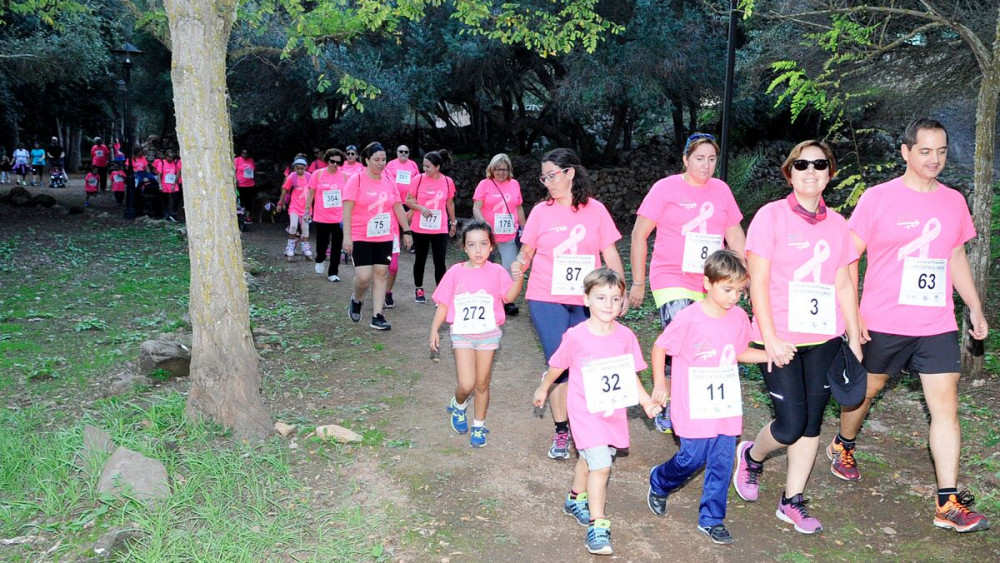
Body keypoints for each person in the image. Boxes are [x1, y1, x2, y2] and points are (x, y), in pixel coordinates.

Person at [830, 118, 990, 533]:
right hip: (883, 319)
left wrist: (973, 307)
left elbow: (954, 257)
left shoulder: (954, 202)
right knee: (866, 390)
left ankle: (948, 502)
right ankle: (843, 444)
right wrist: (853, 316)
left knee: (946, 407)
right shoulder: (878, 199)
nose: (934, 159)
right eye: (925, 151)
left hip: (935, 322)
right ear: (905, 152)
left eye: (940, 151)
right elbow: (848, 257)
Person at [732, 140, 861, 534]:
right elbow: (760, 281)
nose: (811, 171)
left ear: (829, 173)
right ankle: (752, 457)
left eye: (820, 164)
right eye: (801, 164)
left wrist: (854, 338)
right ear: (790, 172)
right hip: (782, 338)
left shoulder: (839, 225)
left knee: (811, 423)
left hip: (825, 338)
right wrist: (768, 337)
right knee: (789, 426)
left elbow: (843, 283)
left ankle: (792, 500)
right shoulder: (769, 217)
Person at [532, 268, 659, 556]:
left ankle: (575, 498)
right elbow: (557, 366)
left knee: (591, 459)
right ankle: (597, 526)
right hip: (583, 411)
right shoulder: (576, 335)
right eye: (600, 297)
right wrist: (543, 388)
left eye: (615, 299)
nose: (608, 304)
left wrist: (646, 401)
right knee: (602, 465)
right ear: (586, 299)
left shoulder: (626, 337)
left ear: (623, 302)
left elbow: (629, 375)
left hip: (611, 411)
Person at [646, 250, 767, 545]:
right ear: (707, 283)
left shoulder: (739, 316)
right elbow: (660, 347)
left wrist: (770, 355)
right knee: (692, 457)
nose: (734, 297)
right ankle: (660, 480)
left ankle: (711, 518)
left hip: (724, 406)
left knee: (722, 461)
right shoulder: (689, 318)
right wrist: (661, 383)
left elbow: (739, 352)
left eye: (739, 291)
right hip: (693, 405)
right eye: (727, 289)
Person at [630, 133, 746, 434]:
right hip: (671, 277)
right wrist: (639, 282)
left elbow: (735, 237)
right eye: (699, 158)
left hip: (712, 281)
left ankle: (682, 397)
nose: (706, 165)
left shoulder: (721, 191)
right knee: (684, 333)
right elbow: (639, 234)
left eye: (711, 159)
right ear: (685, 159)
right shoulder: (665, 188)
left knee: (697, 343)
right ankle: (674, 406)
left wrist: (743, 276)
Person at [515, 148, 625, 460]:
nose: (546, 181)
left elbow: (610, 253)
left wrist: (621, 288)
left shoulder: (596, 210)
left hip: (585, 299)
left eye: (552, 175)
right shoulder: (540, 212)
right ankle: (563, 430)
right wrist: (519, 265)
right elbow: (527, 252)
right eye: (544, 176)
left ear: (570, 173)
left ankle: (592, 430)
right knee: (560, 361)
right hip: (545, 296)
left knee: (589, 362)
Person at [431, 220, 525, 447]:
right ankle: (459, 404)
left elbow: (509, 297)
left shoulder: (497, 271)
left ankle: (479, 426)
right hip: (462, 334)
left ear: (492, 246)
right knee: (466, 384)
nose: (478, 250)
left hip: (488, 334)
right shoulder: (455, 272)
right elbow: (443, 304)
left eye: (483, 244)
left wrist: (519, 277)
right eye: (472, 245)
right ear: (464, 248)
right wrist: (434, 329)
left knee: (482, 383)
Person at [342, 142, 414, 330]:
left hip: (384, 235)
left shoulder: (389, 180)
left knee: (382, 273)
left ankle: (377, 315)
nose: (381, 164)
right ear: (366, 160)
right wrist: (346, 236)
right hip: (360, 235)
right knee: (364, 277)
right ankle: (357, 299)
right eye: (376, 160)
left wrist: (406, 231)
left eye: (383, 160)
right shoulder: (356, 180)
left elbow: (397, 205)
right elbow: (347, 210)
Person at [473, 153, 526, 316]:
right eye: (497, 169)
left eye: (504, 169)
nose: (501, 172)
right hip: (488, 236)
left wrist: (525, 229)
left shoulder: (514, 184)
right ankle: (485, 299)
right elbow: (476, 207)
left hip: (508, 234)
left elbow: (518, 208)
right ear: (492, 169)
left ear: (509, 170)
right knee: (485, 267)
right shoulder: (485, 184)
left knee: (509, 268)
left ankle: (507, 300)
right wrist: (484, 223)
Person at [407, 149, 458, 303]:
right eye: (424, 166)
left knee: (439, 261)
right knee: (420, 259)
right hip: (419, 227)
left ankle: (440, 294)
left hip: (440, 227)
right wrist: (421, 208)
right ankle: (419, 289)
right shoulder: (418, 179)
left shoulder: (448, 182)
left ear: (437, 167)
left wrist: (453, 222)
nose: (425, 169)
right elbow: (409, 201)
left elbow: (449, 203)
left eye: (428, 166)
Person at [383, 144, 421, 306]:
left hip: (406, 202)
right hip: (381, 223)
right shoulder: (390, 167)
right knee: (375, 268)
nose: (404, 154)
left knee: (392, 266)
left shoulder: (413, 165)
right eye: (401, 151)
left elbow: (418, 182)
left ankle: (387, 292)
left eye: (406, 151)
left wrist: (407, 231)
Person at [308, 148, 348, 281]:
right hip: (322, 216)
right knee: (322, 243)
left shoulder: (344, 176)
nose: (335, 164)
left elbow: (348, 197)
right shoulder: (318, 174)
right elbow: (311, 192)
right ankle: (320, 259)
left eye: (338, 162)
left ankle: (333, 273)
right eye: (332, 161)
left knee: (337, 246)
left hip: (338, 217)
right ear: (327, 160)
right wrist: (307, 209)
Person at [277, 157, 314, 260]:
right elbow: (284, 190)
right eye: (297, 168)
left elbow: (313, 190)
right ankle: (290, 247)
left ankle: (305, 248)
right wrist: (280, 203)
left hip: (306, 208)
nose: (300, 171)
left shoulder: (309, 176)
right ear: (294, 168)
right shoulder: (291, 177)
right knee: (293, 226)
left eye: (302, 168)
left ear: (305, 168)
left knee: (305, 228)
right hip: (294, 207)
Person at [154, 150, 183, 222]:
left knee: (176, 198)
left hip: (173, 183)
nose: (171, 159)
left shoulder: (174, 163)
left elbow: (177, 173)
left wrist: (174, 183)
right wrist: (160, 185)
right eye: (169, 157)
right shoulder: (162, 163)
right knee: (165, 200)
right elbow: (159, 175)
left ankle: (173, 213)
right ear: (166, 157)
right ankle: (166, 215)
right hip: (165, 183)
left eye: (172, 157)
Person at [234, 149, 257, 225]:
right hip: (240, 185)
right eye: (243, 153)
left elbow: (253, 170)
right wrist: (235, 179)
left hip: (250, 184)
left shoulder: (251, 160)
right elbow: (233, 170)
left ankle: (247, 217)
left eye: (246, 153)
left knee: (249, 202)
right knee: (241, 201)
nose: (245, 155)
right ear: (241, 153)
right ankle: (240, 217)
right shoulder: (237, 160)